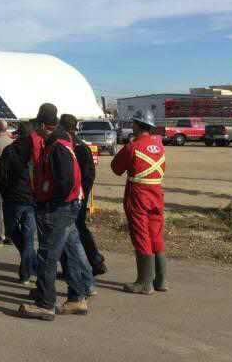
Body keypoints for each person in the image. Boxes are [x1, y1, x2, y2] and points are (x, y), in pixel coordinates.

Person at [18, 104, 94, 320]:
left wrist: (52, 203)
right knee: (68, 252)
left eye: (37, 125)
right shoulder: (59, 143)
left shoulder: (57, 147)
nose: (35, 130)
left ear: (43, 125)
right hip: (67, 206)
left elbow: (66, 181)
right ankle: (77, 297)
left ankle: (45, 304)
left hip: (60, 208)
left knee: (47, 255)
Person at [110, 109, 167, 294]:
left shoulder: (133, 147)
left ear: (138, 125)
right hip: (156, 194)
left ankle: (144, 283)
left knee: (141, 234)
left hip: (138, 195)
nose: (132, 125)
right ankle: (161, 280)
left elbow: (116, 168)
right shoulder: (159, 146)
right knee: (155, 234)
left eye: (133, 123)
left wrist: (126, 149)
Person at [58, 114, 106, 276]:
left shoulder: (69, 146)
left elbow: (86, 174)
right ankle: (94, 261)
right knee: (79, 228)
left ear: (62, 127)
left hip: (72, 197)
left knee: (70, 231)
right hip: (79, 195)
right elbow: (90, 174)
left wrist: (79, 194)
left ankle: (86, 265)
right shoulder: (82, 146)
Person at [0, 119, 38, 284]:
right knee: (28, 237)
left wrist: (5, 193)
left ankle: (26, 269)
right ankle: (28, 268)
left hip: (13, 199)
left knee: (13, 232)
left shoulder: (10, 150)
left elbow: (0, 175)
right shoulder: (35, 151)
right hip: (31, 199)